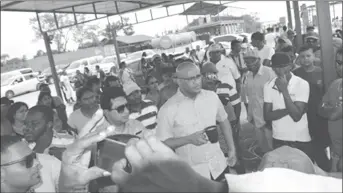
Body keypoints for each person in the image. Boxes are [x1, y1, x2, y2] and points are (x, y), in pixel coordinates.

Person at [156, 61, 237, 180]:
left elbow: (224, 120)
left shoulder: (211, 97)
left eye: (198, 76)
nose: (196, 82)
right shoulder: (167, 109)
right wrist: (188, 139)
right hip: (192, 173)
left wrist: (232, 148)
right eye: (190, 79)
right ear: (179, 81)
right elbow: (162, 142)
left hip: (219, 165)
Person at [264, 52, 312, 159]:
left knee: (303, 173)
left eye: (283, 66)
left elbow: (296, 117)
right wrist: (290, 109)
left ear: (290, 66)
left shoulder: (302, 84)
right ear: (273, 68)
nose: (280, 71)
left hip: (300, 138)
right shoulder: (268, 86)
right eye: (276, 67)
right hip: (278, 138)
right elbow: (267, 116)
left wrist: (284, 90)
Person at [201, 62, 245, 174]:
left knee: (232, 153)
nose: (213, 86)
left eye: (214, 84)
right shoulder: (199, 96)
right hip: (211, 135)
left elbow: (236, 109)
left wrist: (235, 125)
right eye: (210, 83)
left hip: (226, 130)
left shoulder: (225, 92)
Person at [294, 45, 331, 171]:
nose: (306, 59)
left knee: (322, 144)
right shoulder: (295, 75)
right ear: (298, 59)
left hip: (321, 116)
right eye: (302, 57)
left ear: (314, 57)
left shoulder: (322, 72)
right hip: (304, 116)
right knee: (308, 145)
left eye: (308, 56)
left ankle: (325, 169)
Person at [243, 49, 275, 153]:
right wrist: (250, 117)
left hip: (269, 120)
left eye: (252, 60)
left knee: (273, 149)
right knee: (264, 148)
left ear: (259, 60)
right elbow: (250, 98)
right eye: (246, 61)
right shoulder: (248, 76)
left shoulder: (269, 72)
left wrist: (271, 119)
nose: (249, 63)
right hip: (256, 120)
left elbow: (276, 97)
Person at [318, 48, 343, 172]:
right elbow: (320, 109)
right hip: (335, 151)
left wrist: (330, 109)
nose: (340, 67)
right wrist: (334, 108)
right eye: (338, 63)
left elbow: (334, 115)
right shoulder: (335, 84)